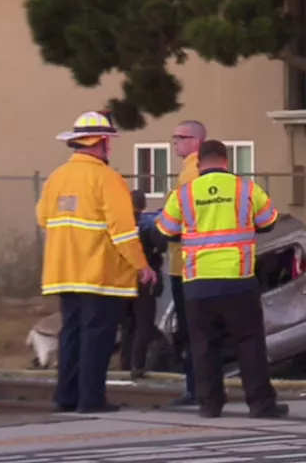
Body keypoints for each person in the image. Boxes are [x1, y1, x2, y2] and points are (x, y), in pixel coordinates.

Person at [156, 140, 288, 419]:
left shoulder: (184, 194)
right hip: (238, 279)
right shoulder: (246, 189)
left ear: (198, 163)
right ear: (226, 161)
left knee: (204, 345)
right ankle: (260, 403)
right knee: (249, 342)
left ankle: (210, 404)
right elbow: (269, 221)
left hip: (198, 281)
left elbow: (165, 230)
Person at [37, 111, 157, 414]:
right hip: (99, 273)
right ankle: (90, 400)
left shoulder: (56, 178)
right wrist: (141, 265)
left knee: (72, 333)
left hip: (63, 272)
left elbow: (42, 218)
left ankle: (65, 396)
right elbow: (123, 230)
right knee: (97, 337)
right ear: (102, 142)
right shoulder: (107, 178)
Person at [166, 120, 205, 406]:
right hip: (201, 264)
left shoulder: (191, 174)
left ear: (196, 141)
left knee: (191, 329)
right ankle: (203, 387)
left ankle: (196, 388)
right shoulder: (194, 171)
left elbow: (178, 220)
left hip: (186, 264)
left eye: (180, 137)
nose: (175, 142)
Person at [120, 190, 166, 380]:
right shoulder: (148, 225)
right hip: (145, 279)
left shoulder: (120, 224)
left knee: (127, 325)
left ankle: (125, 365)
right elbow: (162, 246)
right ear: (143, 205)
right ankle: (137, 365)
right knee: (143, 324)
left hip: (122, 280)